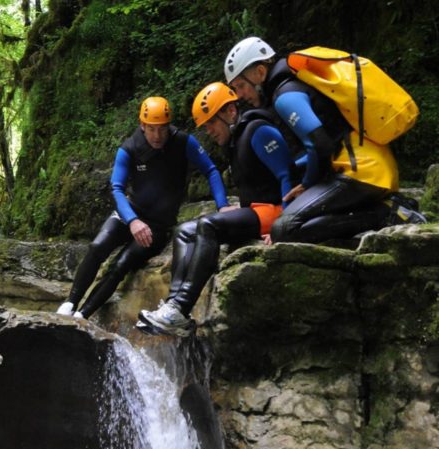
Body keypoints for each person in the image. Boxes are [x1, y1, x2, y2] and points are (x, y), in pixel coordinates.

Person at [223, 36, 425, 242]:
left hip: (359, 173)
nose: (239, 95)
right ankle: (385, 208)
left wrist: (307, 184)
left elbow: (320, 144)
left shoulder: (285, 96)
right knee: (291, 222)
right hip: (370, 169)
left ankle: (387, 214)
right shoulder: (296, 83)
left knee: (283, 229)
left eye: (241, 85)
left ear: (260, 72)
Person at [138, 82, 295, 336]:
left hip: (275, 211)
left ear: (230, 112)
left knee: (208, 225)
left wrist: (285, 224)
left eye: (211, 122)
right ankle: (173, 304)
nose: (208, 130)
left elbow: (287, 176)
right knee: (184, 230)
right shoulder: (236, 141)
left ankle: (181, 307)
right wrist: (236, 208)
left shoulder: (257, 131)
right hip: (258, 209)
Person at [56, 96, 231, 320]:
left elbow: (211, 171)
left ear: (169, 126)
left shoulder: (182, 142)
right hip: (129, 213)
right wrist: (133, 221)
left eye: (162, 129)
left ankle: (82, 316)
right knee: (97, 246)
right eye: (151, 129)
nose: (157, 136)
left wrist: (223, 206)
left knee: (121, 265)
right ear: (142, 126)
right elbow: (117, 188)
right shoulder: (130, 148)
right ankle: (70, 303)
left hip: (157, 225)